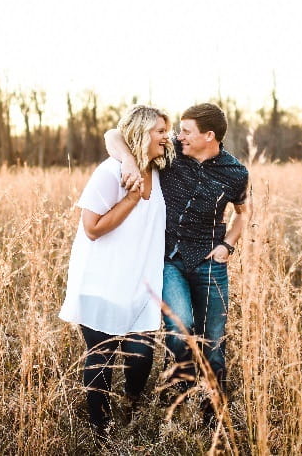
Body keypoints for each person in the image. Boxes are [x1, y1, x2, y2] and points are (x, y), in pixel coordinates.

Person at [105, 102, 249, 421]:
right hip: (169, 259)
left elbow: (243, 212)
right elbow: (113, 134)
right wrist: (128, 159)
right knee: (180, 331)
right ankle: (177, 397)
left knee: (213, 341)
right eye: (178, 130)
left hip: (210, 261)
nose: (178, 135)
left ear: (208, 136)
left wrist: (229, 245)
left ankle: (213, 413)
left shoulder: (235, 173)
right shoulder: (172, 154)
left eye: (186, 131)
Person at [59, 105, 174, 438]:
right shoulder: (109, 173)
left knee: (141, 358)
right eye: (160, 131)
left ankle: (132, 412)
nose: (167, 137)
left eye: (168, 131)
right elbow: (92, 228)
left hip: (140, 285)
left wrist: (133, 161)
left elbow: (113, 135)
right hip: (101, 282)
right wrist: (132, 197)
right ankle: (101, 431)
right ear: (140, 133)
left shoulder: (161, 170)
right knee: (101, 359)